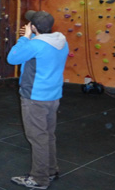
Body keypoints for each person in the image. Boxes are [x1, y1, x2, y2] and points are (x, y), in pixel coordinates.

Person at [7, 10, 69, 189]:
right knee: (48, 135)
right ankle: (50, 170)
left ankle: (39, 179)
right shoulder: (61, 41)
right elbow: (43, 51)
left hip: (35, 97)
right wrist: (30, 37)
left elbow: (12, 58)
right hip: (53, 96)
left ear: (33, 27)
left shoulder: (34, 45)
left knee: (37, 137)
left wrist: (25, 39)